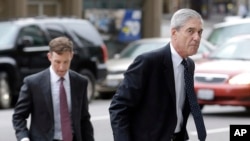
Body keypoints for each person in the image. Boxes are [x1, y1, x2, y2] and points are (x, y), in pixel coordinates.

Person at [109, 8, 207, 141]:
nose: (197, 37)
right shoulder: (148, 62)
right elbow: (119, 107)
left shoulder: (189, 65)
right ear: (174, 33)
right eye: (190, 31)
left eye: (199, 32)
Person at [12, 36, 94, 141]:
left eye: (66, 62)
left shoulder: (80, 82)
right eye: (57, 62)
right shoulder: (33, 83)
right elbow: (18, 116)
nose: (62, 67)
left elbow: (84, 119)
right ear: (49, 57)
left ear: (71, 56)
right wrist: (24, 138)